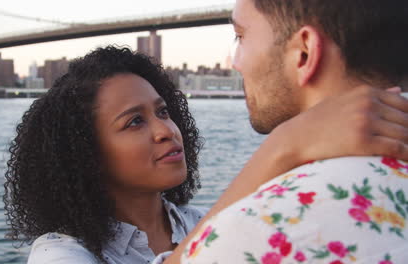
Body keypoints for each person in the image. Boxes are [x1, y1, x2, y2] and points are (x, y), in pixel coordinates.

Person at [4, 45, 408, 264]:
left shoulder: (202, 223)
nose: (166, 131)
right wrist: (283, 148)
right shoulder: (59, 254)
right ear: (86, 156)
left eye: (163, 112)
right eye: (134, 122)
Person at [162, 0, 408, 263]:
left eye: (240, 36)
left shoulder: (256, 231)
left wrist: (279, 148)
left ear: (304, 52)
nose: (236, 62)